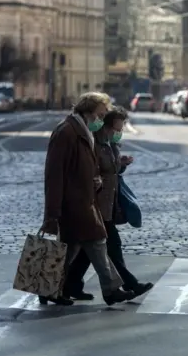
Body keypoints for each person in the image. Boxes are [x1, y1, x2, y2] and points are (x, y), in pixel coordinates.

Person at [40, 92, 135, 306]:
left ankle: (48, 288)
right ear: (87, 111)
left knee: (73, 247)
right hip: (72, 204)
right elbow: (53, 174)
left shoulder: (82, 131)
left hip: (84, 201)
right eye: (100, 115)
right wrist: (52, 213)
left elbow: (85, 166)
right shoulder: (66, 132)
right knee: (97, 241)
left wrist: (95, 179)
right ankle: (111, 290)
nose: (101, 121)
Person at [63, 107, 154, 300]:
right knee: (111, 245)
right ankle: (129, 284)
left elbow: (112, 171)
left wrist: (121, 164)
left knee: (86, 250)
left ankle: (71, 284)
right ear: (106, 126)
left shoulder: (111, 145)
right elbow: (90, 171)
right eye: (116, 129)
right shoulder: (93, 143)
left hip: (107, 205)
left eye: (121, 129)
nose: (118, 133)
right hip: (94, 205)